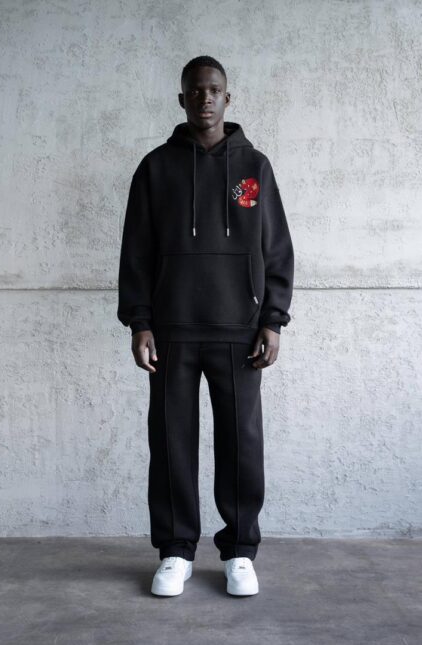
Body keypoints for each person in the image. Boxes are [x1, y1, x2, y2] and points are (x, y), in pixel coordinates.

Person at [117, 55, 294, 597]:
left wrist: (273, 320)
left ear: (227, 98)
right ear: (182, 99)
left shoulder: (254, 167)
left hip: (240, 329)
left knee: (241, 443)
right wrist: (139, 322)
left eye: (214, 90)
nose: (205, 98)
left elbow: (276, 248)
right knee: (171, 442)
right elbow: (136, 251)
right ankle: (176, 551)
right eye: (195, 91)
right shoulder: (156, 168)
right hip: (172, 329)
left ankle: (239, 551)